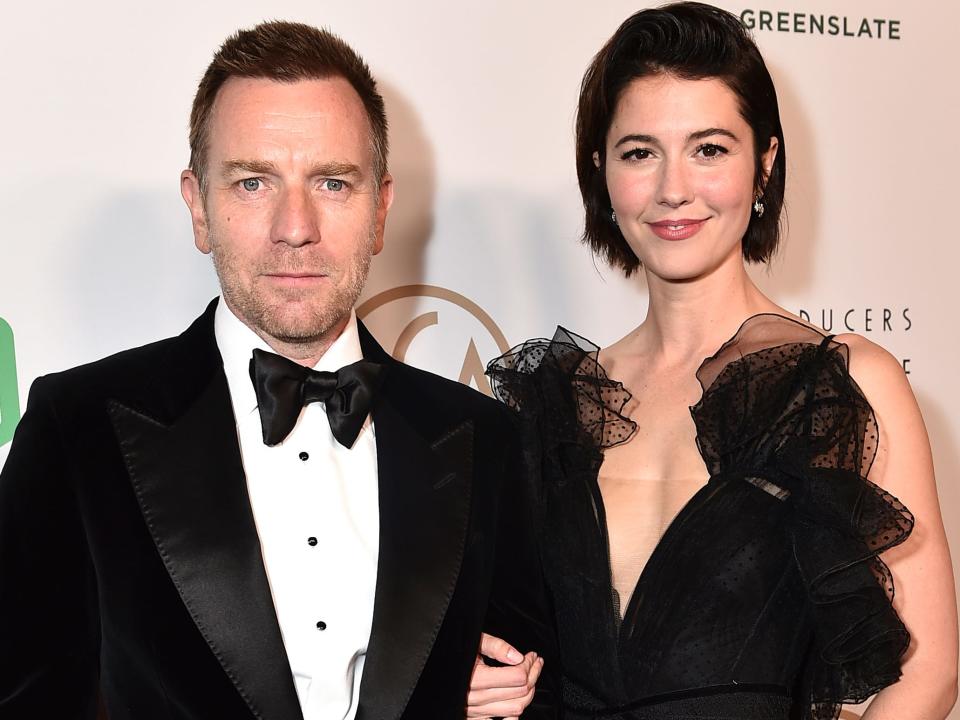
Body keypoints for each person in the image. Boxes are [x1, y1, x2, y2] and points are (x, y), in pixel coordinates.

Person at [0, 21, 557, 720]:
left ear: (380, 210)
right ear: (198, 206)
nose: (295, 227)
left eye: (331, 182)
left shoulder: (485, 438)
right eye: (253, 182)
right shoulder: (76, 425)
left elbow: (535, 686)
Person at [468, 3, 958, 719]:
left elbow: (927, 673)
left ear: (764, 163)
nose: (673, 188)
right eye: (640, 152)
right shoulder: (553, 403)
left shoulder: (843, 384)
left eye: (709, 149)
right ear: (601, 171)